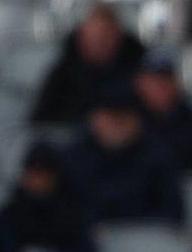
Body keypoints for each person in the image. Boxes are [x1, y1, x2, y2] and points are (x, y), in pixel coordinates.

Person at [63, 86, 183, 225]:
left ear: (139, 121)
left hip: (144, 239)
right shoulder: (71, 159)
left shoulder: (159, 158)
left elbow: (172, 212)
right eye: (109, 117)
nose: (116, 124)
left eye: (124, 118)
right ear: (93, 119)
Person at [30, 5, 146, 124]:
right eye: (95, 36)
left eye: (107, 35)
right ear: (82, 36)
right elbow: (40, 124)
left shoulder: (142, 75)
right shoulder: (62, 77)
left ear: (119, 36)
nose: (100, 42)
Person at [133, 49, 192, 170]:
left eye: (168, 78)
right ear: (139, 82)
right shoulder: (126, 117)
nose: (161, 86)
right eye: (154, 79)